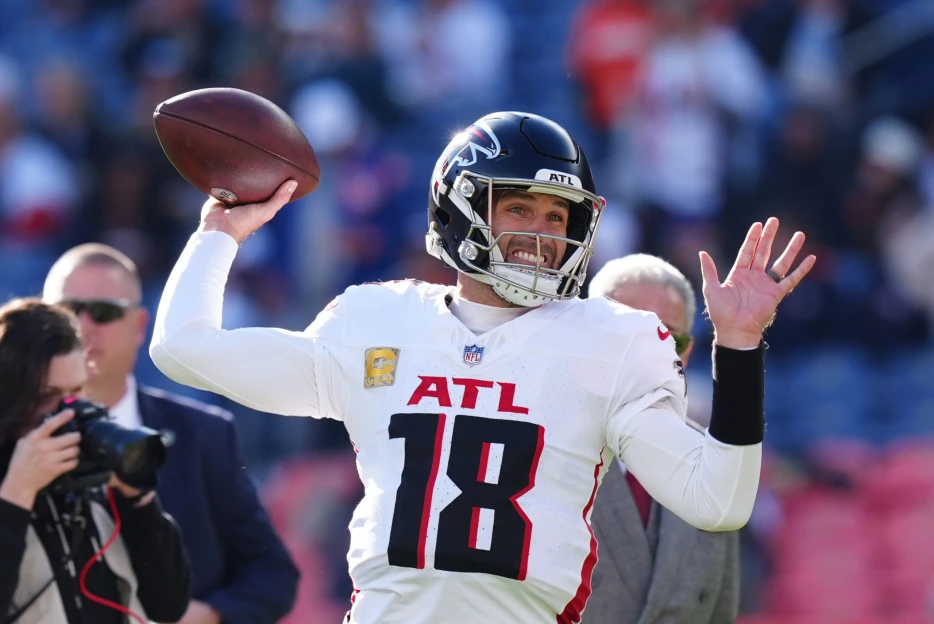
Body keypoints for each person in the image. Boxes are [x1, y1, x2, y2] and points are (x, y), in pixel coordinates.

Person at [149, 111, 816, 623]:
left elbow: (719, 502)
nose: (542, 231)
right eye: (520, 207)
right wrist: (220, 232)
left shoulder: (613, 339)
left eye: (558, 215)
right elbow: (181, 347)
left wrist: (737, 347)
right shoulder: (376, 320)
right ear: (462, 207)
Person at [42, 245, 300, 624]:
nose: (83, 327)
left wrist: (208, 616)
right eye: (66, 312)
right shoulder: (11, 433)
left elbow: (272, 575)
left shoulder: (204, 433)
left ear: (140, 326)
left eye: (104, 312)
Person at [0, 298, 191, 624]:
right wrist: (17, 494)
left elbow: (169, 606)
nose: (69, 411)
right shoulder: (10, 485)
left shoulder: (92, 462)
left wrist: (138, 501)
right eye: (48, 396)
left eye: (76, 392)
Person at [585, 253, 739, 623]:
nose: (646, 348)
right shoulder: (538, 443)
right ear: (586, 335)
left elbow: (720, 610)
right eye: (626, 329)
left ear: (685, 352)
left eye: (667, 336)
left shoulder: (713, 461)